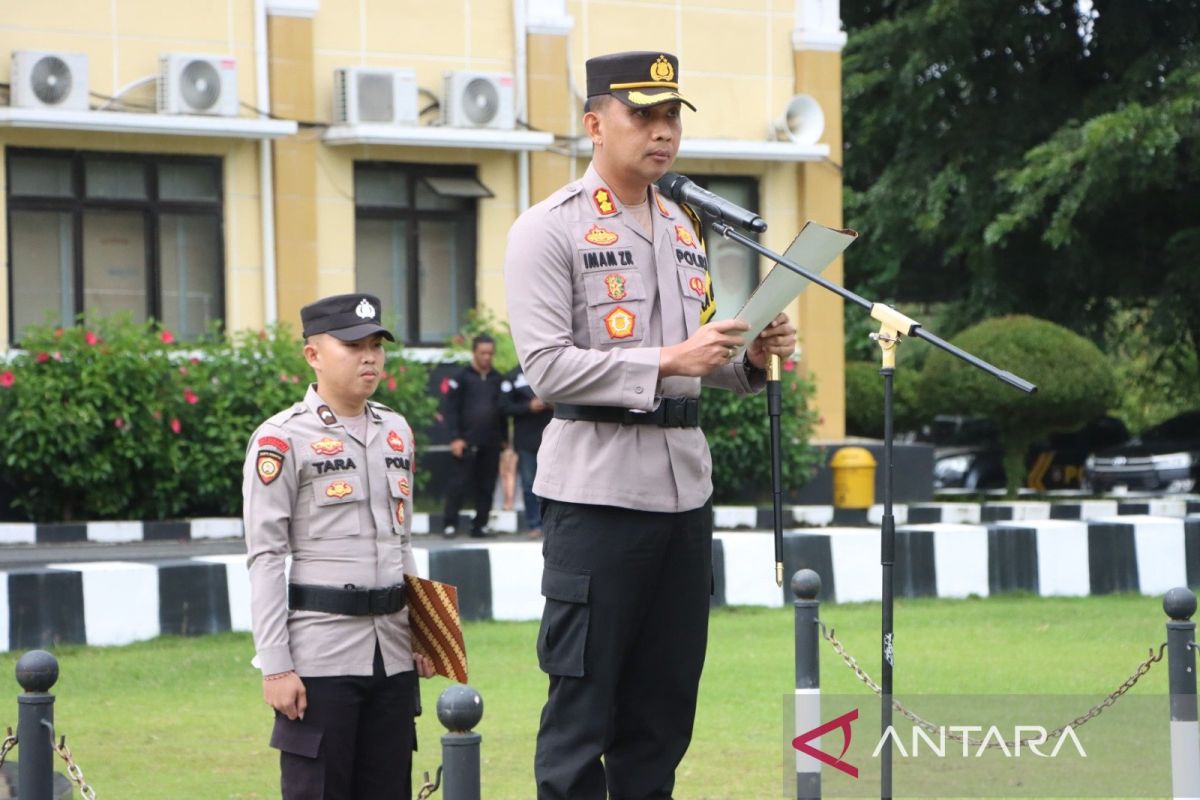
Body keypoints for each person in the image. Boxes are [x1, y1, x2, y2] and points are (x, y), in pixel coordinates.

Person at [504, 51, 798, 799]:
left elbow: (702, 362)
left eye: (671, 116)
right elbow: (548, 368)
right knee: (581, 712)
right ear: (595, 123)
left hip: (681, 497)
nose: (662, 132)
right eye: (644, 114)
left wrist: (752, 356)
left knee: (663, 717)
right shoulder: (549, 229)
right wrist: (670, 358)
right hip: (598, 498)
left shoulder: (684, 224)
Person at [242, 293, 435, 800]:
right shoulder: (281, 439)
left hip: (391, 654)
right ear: (313, 355)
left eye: (376, 345)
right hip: (321, 657)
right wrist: (277, 665)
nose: (368, 356)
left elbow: (403, 541)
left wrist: (424, 633)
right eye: (352, 345)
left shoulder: (397, 431)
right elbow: (265, 558)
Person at [440, 333, 506, 537]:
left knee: (487, 485)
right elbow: (450, 410)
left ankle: (480, 525)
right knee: (458, 483)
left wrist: (504, 440)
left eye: (490, 353)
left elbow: (502, 410)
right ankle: (450, 524)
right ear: (474, 352)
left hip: (491, 442)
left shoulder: (497, 379)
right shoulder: (461, 378)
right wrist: (455, 438)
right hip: (465, 441)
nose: (487, 357)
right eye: (482, 353)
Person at [499, 364, 554, 537]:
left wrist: (553, 405)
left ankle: (552, 526)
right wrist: (528, 407)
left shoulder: (547, 369)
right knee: (529, 483)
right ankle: (535, 524)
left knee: (554, 484)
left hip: (552, 438)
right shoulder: (512, 376)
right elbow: (504, 407)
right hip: (526, 441)